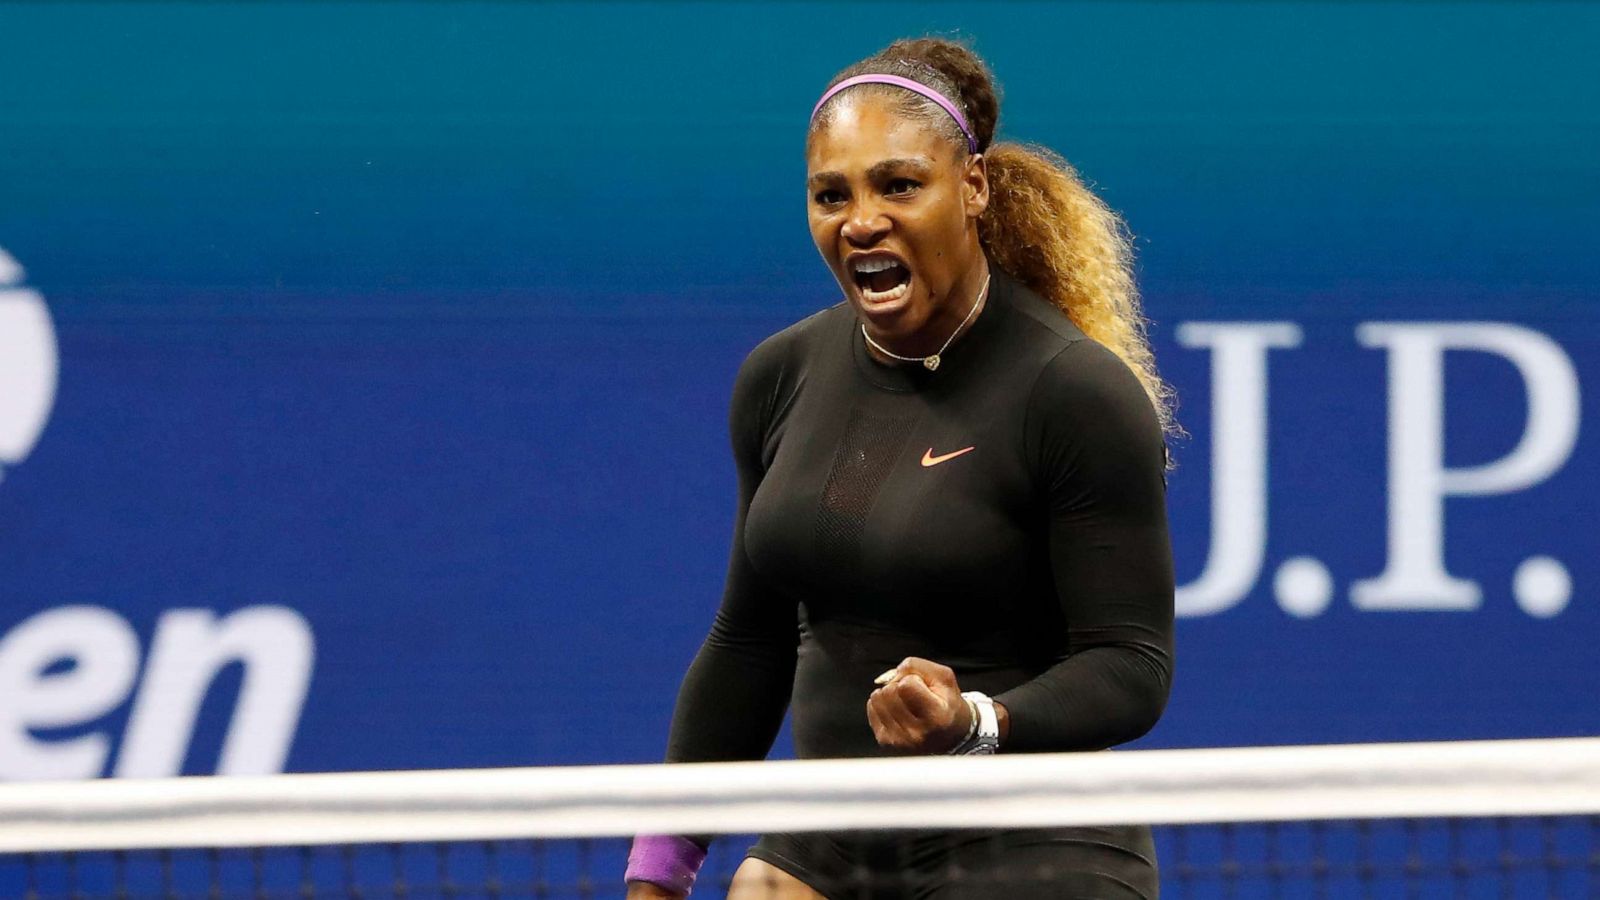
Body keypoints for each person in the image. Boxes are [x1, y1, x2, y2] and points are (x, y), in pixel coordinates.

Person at [627, 37, 1176, 900]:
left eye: (899, 184)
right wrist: (661, 870)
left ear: (974, 186)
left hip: (1034, 849)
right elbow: (749, 642)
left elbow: (1130, 664)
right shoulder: (781, 376)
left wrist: (976, 722)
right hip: (831, 847)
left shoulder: (1073, 391)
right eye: (829, 194)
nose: (861, 220)